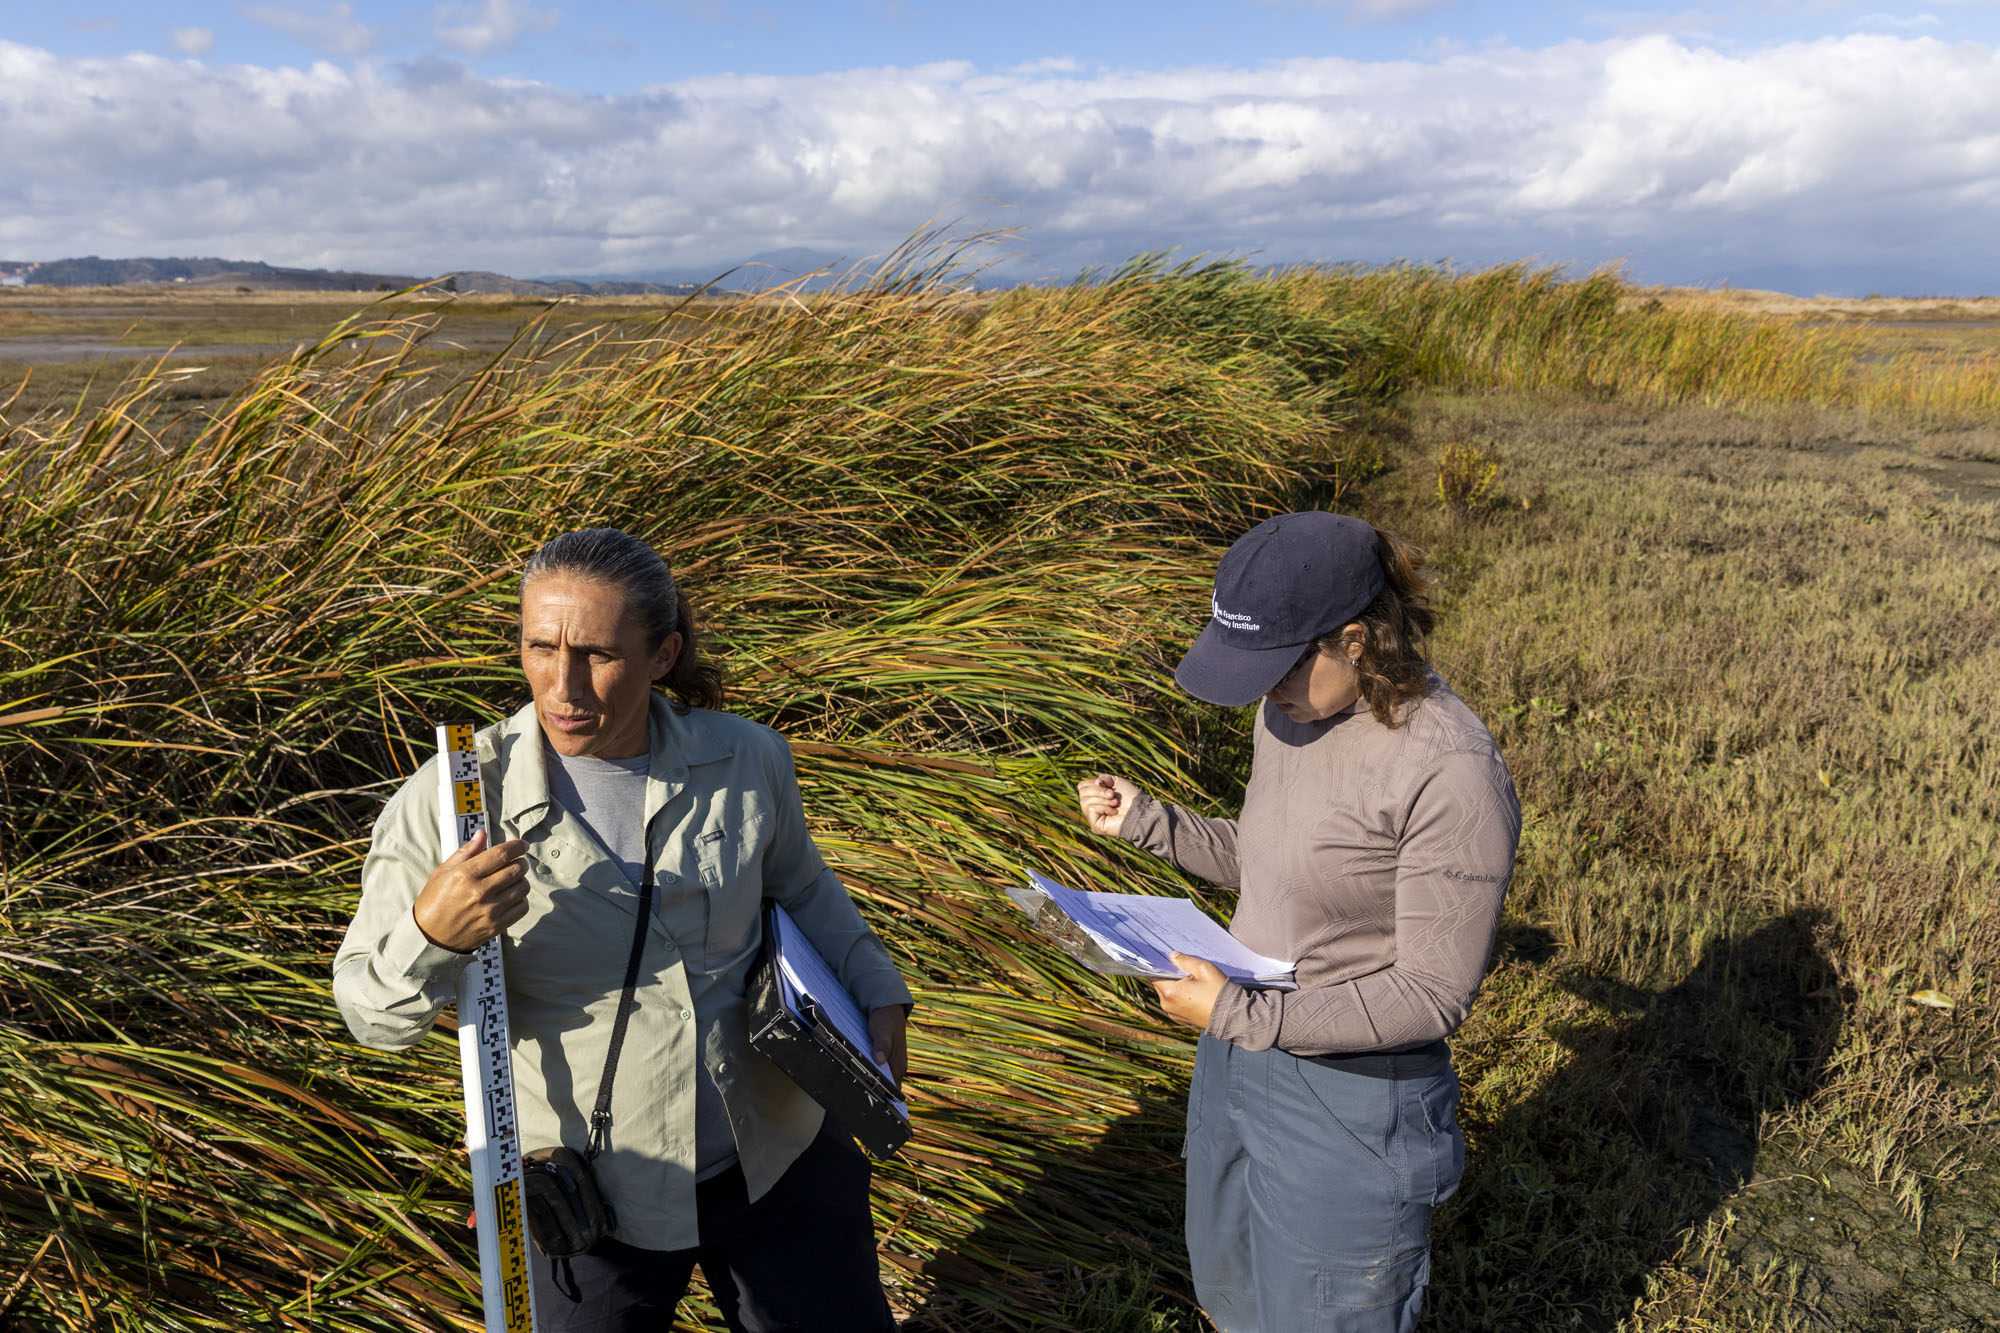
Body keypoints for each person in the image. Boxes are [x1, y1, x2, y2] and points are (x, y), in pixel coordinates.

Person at [334, 527, 913, 1333]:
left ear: (663, 653)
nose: (563, 684)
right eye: (540, 647)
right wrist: (434, 930)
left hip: (778, 1155)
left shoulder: (747, 759)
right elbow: (370, 1014)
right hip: (594, 1199)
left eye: (599, 654)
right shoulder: (452, 802)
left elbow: (802, 888)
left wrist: (879, 988)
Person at [1077, 511, 1519, 1333]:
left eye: (1278, 664)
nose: (1263, 688)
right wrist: (1150, 821)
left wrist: (1242, 1014)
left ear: (1357, 640)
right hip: (1238, 1066)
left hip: (1349, 1111)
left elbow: (1431, 992)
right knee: (1230, 1295)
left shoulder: (1450, 770)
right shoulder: (1289, 710)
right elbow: (1279, 861)